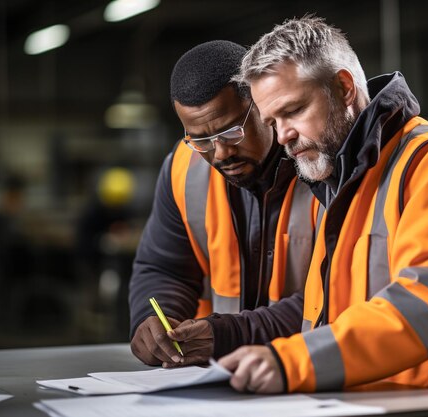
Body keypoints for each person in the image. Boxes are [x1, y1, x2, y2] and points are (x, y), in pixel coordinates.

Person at [215, 16, 428, 406]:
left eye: (293, 111)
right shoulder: (341, 184)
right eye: (272, 121)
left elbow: (422, 308)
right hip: (380, 406)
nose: (283, 136)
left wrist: (290, 362)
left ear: (343, 88)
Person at [128, 40, 316, 367]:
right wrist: (154, 318)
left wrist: (231, 335)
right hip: (219, 378)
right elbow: (163, 267)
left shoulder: (320, 164)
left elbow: (338, 293)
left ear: (261, 105)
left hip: (311, 369)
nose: (221, 153)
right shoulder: (183, 169)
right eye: (200, 139)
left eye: (231, 132)